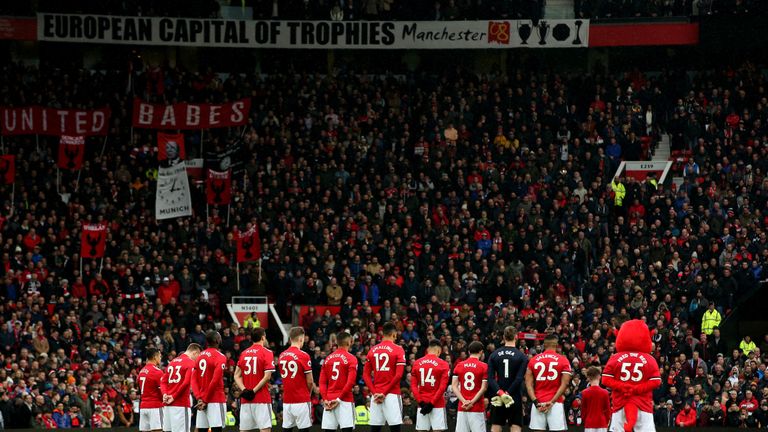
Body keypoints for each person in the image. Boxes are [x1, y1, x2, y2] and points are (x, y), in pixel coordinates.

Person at [601, 320, 661, 432]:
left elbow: (605, 380)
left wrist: (622, 386)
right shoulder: (649, 359)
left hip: (620, 402)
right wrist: (637, 389)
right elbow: (656, 381)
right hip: (643, 404)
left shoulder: (615, 358)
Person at [363, 322, 406, 432]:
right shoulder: (398, 349)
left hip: (376, 395)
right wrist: (384, 393)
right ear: (394, 334)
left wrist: (374, 393)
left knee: (375, 429)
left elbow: (365, 375)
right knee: (395, 428)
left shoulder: (372, 350)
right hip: (391, 394)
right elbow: (398, 375)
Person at [525, 334, 572, 431]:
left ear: (544, 345)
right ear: (556, 345)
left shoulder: (533, 360)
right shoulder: (563, 360)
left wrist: (535, 402)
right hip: (555, 403)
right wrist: (552, 402)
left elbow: (528, 384)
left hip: (538, 402)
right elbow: (565, 383)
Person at [487, 326, 528, 432]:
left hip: (498, 396)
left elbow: (490, 379)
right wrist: (508, 394)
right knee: (515, 425)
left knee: (496, 425)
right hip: (515, 396)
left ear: (504, 337)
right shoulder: (522, 356)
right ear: (516, 337)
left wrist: (501, 394)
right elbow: (519, 379)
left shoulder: (494, 355)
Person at [235, 327, 276, 432]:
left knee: (244, 430)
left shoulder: (244, 353)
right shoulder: (267, 352)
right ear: (263, 337)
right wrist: (253, 391)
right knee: (265, 429)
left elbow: (236, 375)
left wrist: (244, 390)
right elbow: (267, 376)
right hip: (261, 398)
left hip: (246, 400)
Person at [278, 327, 315, 432]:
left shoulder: (282, 355)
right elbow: (310, 381)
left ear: (290, 339)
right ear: (301, 339)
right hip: (301, 399)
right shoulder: (304, 355)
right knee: (303, 429)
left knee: (287, 429)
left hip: (287, 399)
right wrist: (309, 394)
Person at [320, 331, 358, 432]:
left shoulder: (327, 359)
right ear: (349, 342)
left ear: (337, 342)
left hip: (329, 400)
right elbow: (350, 382)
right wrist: (339, 399)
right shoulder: (351, 358)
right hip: (344, 400)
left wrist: (325, 399)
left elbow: (322, 382)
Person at [410, 339, 450, 432]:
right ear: (439, 350)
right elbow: (442, 388)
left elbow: (414, 386)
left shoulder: (417, 363)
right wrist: (431, 404)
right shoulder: (443, 364)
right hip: (437, 404)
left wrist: (421, 402)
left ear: (428, 349)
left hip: (422, 404)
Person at [162, 344, 202, 432]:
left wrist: (164, 394)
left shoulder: (172, 362)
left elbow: (163, 381)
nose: (198, 360)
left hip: (167, 405)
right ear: (195, 353)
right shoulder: (190, 362)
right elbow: (186, 382)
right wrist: (174, 396)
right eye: (198, 356)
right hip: (180, 404)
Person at [451, 341, 488, 432]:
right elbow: (484, 388)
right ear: (481, 352)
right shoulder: (484, 366)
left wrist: (464, 401)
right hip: (477, 407)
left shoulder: (459, 365)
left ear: (468, 352)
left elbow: (454, 387)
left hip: (462, 407)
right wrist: (471, 402)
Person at [194, 331, 228, 432]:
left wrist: (199, 398)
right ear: (217, 340)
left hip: (201, 399)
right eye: (220, 337)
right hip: (215, 399)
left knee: (203, 430)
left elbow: (193, 379)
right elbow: (215, 381)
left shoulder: (200, 356)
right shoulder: (220, 356)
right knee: (217, 429)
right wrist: (205, 399)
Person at [138, 348, 165, 432]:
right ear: (155, 357)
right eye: (159, 356)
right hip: (155, 407)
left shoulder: (141, 371)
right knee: (158, 430)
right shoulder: (158, 372)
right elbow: (162, 391)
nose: (160, 358)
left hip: (143, 407)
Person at [580, 366, 610, 432]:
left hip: (589, 423)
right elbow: (607, 410)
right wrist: (606, 422)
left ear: (588, 377)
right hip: (602, 423)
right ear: (599, 377)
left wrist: (585, 421)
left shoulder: (584, 392)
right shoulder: (605, 392)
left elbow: (583, 410)